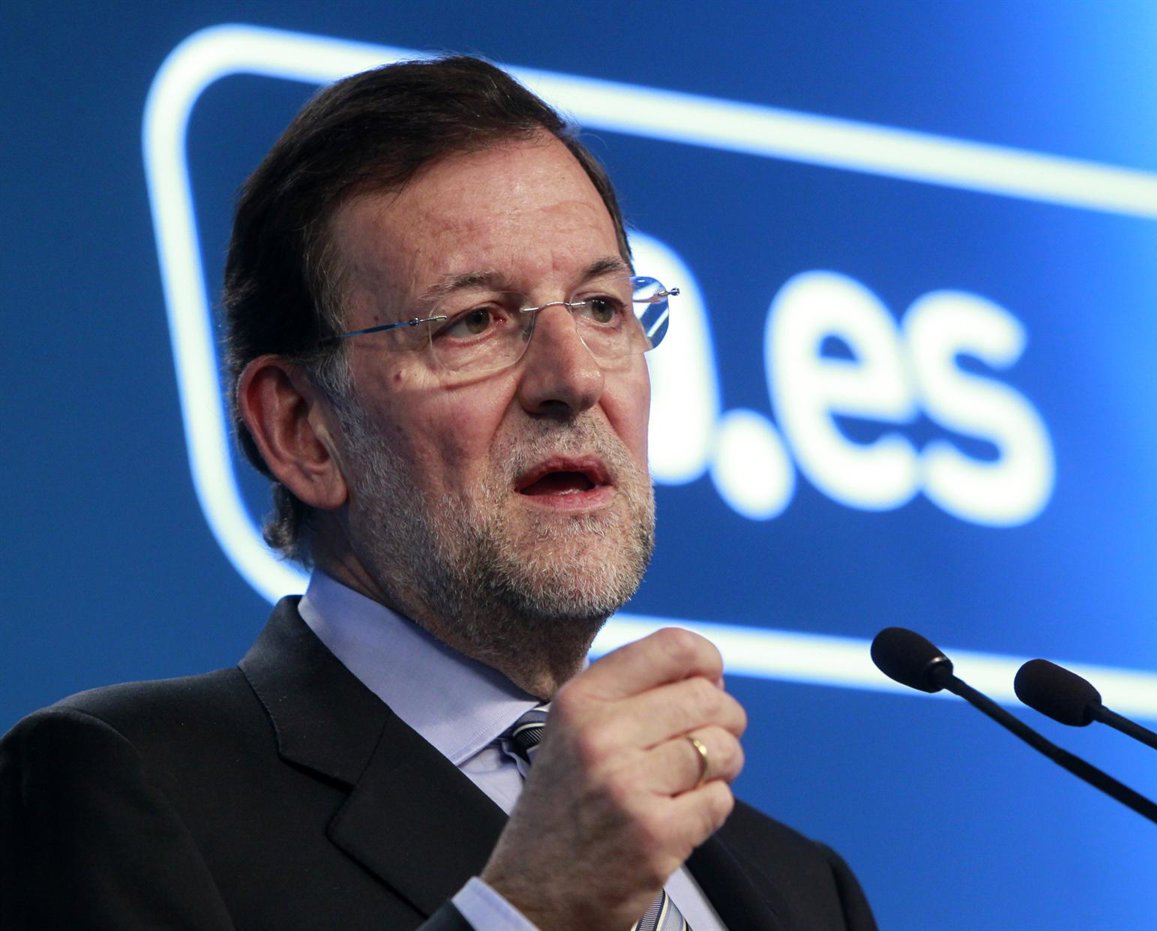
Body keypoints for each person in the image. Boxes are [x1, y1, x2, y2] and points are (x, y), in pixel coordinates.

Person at [0, 56, 876, 930]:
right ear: (303, 429)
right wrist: (529, 911)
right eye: (474, 321)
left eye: (602, 307)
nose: (573, 377)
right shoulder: (123, 789)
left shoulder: (807, 889)